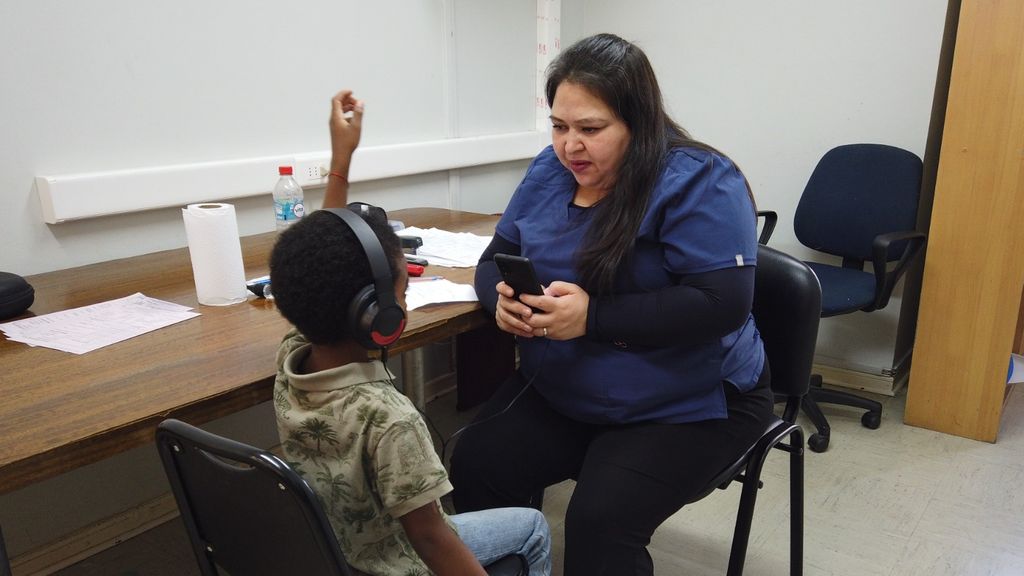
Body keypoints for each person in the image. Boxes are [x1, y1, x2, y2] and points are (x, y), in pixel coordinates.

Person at [449, 33, 776, 575]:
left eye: (590, 129)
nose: (569, 146)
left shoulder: (698, 179)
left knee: (600, 523)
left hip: (688, 400)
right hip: (568, 382)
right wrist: (499, 302)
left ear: (639, 122)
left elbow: (721, 304)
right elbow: (492, 262)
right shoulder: (548, 173)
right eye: (558, 126)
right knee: (477, 464)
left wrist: (592, 318)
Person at [269, 90, 551, 576]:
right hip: (393, 560)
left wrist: (342, 158)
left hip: (332, 552)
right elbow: (430, 535)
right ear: (376, 317)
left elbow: (319, 251)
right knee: (531, 528)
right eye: (400, 292)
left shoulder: (291, 360)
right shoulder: (389, 420)